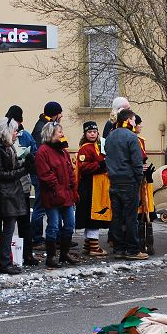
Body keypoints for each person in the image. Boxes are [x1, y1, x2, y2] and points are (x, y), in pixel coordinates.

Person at [104, 109, 148, 260]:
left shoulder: (110, 136)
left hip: (114, 181)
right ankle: (133, 250)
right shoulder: (131, 137)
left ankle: (119, 248)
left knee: (117, 217)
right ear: (129, 120)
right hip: (128, 181)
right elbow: (137, 162)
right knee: (130, 217)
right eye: (134, 120)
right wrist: (139, 177)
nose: (135, 123)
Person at [35, 121, 79, 268]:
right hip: (52, 196)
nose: (62, 134)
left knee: (69, 225)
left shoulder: (63, 151)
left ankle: (64, 254)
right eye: (59, 132)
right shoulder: (43, 151)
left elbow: (70, 173)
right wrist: (58, 191)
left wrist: (73, 190)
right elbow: (46, 175)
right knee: (53, 226)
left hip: (66, 195)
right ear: (51, 134)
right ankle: (51, 257)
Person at [0, 118, 29, 274]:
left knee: (10, 228)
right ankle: (4, 262)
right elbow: (1, 174)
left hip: (12, 192)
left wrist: (24, 164)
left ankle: (6, 260)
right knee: (8, 229)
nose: (16, 134)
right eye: (14, 130)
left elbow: (12, 167)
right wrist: (23, 170)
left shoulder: (7, 147)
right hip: (6, 194)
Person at [31, 102, 64, 249]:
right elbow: (41, 155)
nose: (62, 116)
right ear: (54, 114)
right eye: (60, 113)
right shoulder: (43, 128)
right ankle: (37, 239)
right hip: (41, 176)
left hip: (47, 174)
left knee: (53, 205)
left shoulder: (45, 125)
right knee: (40, 206)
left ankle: (57, 236)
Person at [75, 121, 110, 257]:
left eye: (94, 132)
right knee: (93, 215)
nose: (92, 134)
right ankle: (94, 246)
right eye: (89, 132)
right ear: (85, 134)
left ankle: (88, 245)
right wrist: (100, 165)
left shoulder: (100, 145)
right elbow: (84, 167)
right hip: (90, 186)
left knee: (95, 214)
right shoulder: (85, 148)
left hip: (99, 186)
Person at [134, 115, 156, 255]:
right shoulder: (133, 140)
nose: (141, 126)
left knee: (145, 210)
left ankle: (147, 242)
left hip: (143, 178)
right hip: (135, 178)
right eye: (139, 124)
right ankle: (137, 242)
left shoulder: (141, 141)